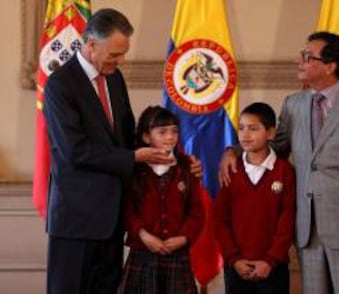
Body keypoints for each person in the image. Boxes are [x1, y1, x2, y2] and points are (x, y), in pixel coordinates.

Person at [43, 9, 201, 294]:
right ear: (91, 44)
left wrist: (179, 161)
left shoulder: (114, 79)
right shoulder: (60, 84)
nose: (121, 61)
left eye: (123, 53)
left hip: (113, 219)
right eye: (115, 54)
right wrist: (133, 157)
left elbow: (128, 137)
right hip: (77, 221)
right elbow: (74, 151)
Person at [219, 32, 339, 294]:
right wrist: (233, 150)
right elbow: (275, 145)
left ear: (330, 66)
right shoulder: (294, 104)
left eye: (308, 57)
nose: (299, 61)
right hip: (306, 229)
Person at [118, 106, 204, 293]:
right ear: (146, 137)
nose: (170, 137)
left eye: (174, 131)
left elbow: (196, 210)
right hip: (143, 253)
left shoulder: (187, 166)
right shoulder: (135, 169)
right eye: (162, 131)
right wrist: (143, 235)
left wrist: (183, 237)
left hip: (177, 255)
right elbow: (128, 209)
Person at [215, 102, 295, 294]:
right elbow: (220, 220)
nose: (245, 135)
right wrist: (234, 259)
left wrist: (270, 260)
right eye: (241, 128)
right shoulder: (231, 170)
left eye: (253, 129)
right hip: (237, 267)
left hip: (273, 268)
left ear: (271, 133)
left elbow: (287, 221)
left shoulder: (284, 171)